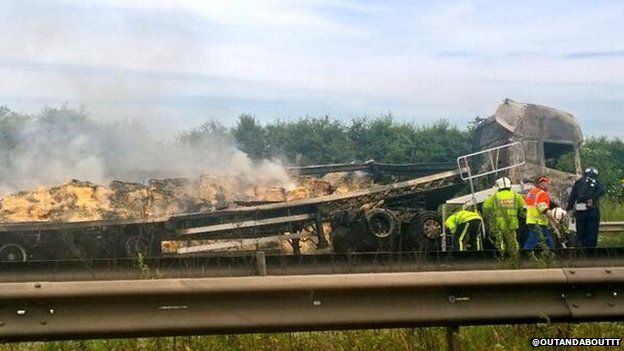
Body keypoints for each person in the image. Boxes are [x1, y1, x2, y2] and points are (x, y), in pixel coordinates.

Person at [483, 177, 525, 258]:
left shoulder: (494, 197)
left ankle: (502, 256)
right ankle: (515, 257)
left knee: (500, 240)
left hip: (499, 223)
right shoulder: (517, 196)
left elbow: (485, 207)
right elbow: (522, 209)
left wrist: (490, 217)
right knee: (513, 240)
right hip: (512, 222)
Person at [566, 167, 605, 248]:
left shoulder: (578, 183)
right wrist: (593, 198)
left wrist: (569, 209)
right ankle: (591, 254)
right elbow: (602, 189)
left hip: (580, 212)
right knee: (592, 234)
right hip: (593, 211)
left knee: (580, 234)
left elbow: (572, 198)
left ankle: (581, 253)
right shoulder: (596, 182)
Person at [523, 176, 556, 250]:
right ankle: (524, 255)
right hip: (538, 222)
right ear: (541, 184)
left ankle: (554, 253)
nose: (547, 185)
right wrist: (555, 221)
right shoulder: (542, 194)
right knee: (532, 241)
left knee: (547, 238)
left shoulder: (530, 193)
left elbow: (525, 208)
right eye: (546, 183)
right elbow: (544, 210)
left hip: (531, 221)